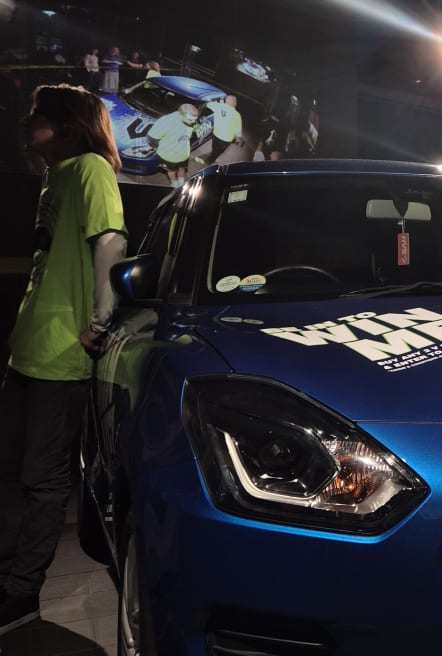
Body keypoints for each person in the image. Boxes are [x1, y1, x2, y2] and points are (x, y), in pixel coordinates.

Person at [0, 84, 127, 635]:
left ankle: (21, 591)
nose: (28, 123)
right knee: (13, 476)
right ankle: (10, 580)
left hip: (60, 357)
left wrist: (100, 321)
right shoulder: (57, 176)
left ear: (68, 123)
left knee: (42, 479)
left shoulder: (91, 171)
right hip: (28, 350)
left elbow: (111, 242)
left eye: (39, 116)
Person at [147, 103, 199, 186]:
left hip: (184, 154)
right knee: (172, 171)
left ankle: (181, 182)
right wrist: (159, 148)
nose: (193, 122)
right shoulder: (166, 121)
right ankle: (175, 184)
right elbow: (151, 138)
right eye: (190, 120)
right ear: (180, 114)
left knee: (182, 168)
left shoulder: (190, 121)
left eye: (195, 119)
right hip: (169, 157)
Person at [196, 94, 242, 165]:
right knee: (219, 151)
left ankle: (213, 156)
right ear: (235, 103)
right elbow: (238, 132)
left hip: (216, 135)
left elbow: (207, 104)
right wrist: (238, 138)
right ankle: (209, 161)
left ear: (226, 101)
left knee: (214, 147)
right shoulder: (237, 115)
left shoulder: (218, 106)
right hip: (226, 140)